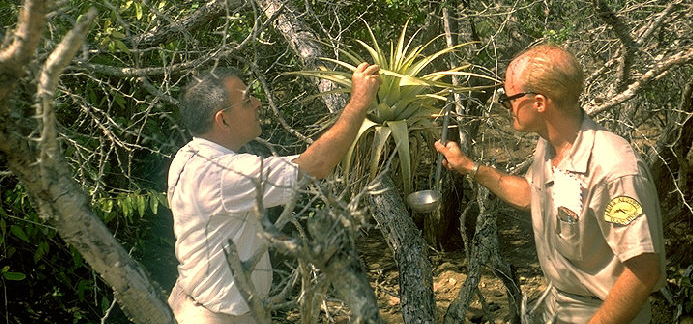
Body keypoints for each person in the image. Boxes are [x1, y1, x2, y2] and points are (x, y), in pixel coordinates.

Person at [435, 45, 665, 324]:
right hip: (559, 307)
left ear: (540, 103)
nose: (506, 106)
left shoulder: (613, 169)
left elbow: (643, 271)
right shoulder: (550, 144)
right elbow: (533, 195)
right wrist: (469, 167)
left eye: (509, 99)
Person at [167, 62, 381, 324]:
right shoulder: (221, 175)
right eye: (247, 101)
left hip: (198, 305)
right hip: (217, 317)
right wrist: (358, 103)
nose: (257, 103)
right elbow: (316, 165)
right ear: (223, 120)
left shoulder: (189, 155)